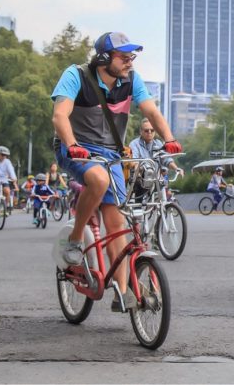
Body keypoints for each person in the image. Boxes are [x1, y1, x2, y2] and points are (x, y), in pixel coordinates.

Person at [51, 31, 182, 312]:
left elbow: (152, 112)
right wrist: (72, 144)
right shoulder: (76, 75)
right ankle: (75, 239)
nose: (129, 62)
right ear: (103, 58)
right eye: (124, 57)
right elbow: (60, 115)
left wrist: (169, 139)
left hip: (111, 154)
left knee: (117, 223)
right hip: (77, 149)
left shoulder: (131, 80)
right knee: (97, 179)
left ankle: (122, 292)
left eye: (131, 57)